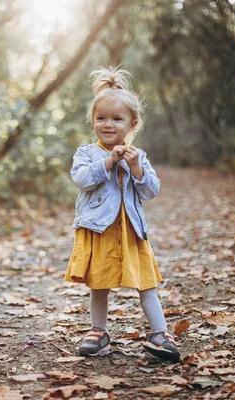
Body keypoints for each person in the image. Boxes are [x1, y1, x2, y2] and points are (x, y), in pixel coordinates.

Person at [64, 66, 180, 362]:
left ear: (132, 124)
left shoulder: (137, 156)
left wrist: (136, 167)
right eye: (101, 118)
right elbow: (81, 179)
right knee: (99, 283)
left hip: (131, 232)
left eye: (117, 119)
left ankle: (160, 333)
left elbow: (150, 190)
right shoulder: (88, 153)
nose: (108, 124)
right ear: (93, 122)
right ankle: (98, 332)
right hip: (98, 230)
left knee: (145, 283)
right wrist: (106, 163)